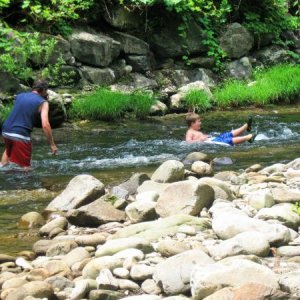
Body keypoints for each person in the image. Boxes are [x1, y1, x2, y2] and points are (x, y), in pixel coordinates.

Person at [0, 79, 58, 169]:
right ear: (43, 90)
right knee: (25, 168)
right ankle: (25, 181)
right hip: (20, 134)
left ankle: (2, 169)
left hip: (6, 130)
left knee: (8, 150)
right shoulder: (43, 102)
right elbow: (45, 124)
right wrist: (52, 144)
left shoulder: (20, 96)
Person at [185, 112, 257, 145]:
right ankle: (248, 137)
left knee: (227, 134)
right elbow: (188, 142)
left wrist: (205, 136)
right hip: (211, 142)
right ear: (192, 123)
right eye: (199, 121)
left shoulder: (195, 131)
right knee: (227, 140)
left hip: (212, 139)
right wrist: (200, 139)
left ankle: (245, 127)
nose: (200, 123)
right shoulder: (190, 132)